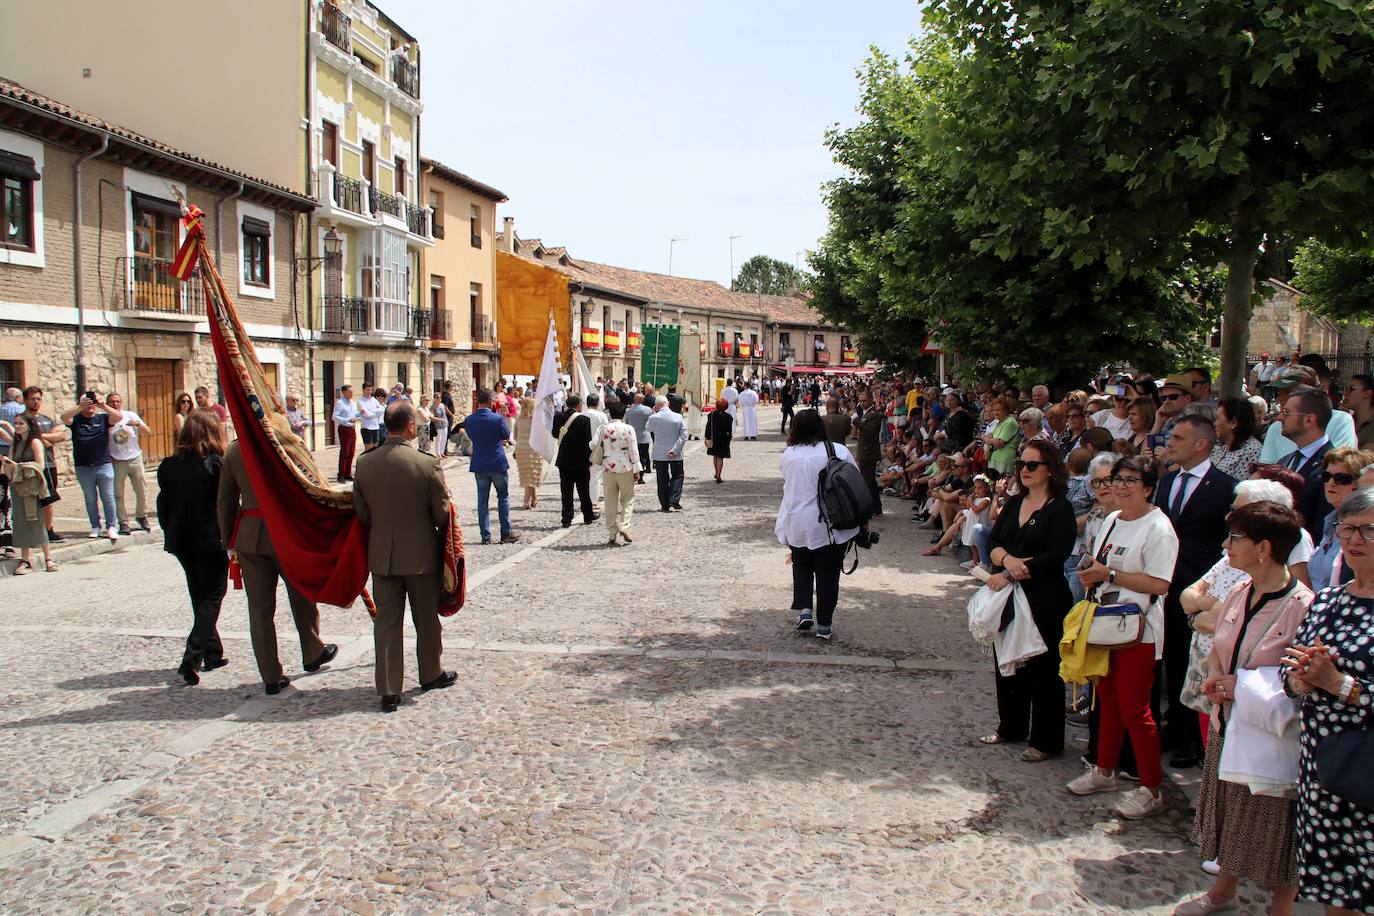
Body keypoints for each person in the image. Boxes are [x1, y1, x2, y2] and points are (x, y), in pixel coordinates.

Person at [1174, 501, 1310, 916]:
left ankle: (1279, 909)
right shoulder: (1239, 590)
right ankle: (1222, 893)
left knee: (1276, 824)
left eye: (1236, 538)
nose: (1226, 545)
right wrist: (1217, 676)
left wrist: (1243, 685)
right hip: (1228, 722)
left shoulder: (1302, 605)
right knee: (1231, 813)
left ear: (1264, 548)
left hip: (1270, 734)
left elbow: (1302, 676)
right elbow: (1217, 638)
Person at [1070, 457, 1179, 819]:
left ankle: (1151, 787)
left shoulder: (1159, 528)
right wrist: (1093, 575)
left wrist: (1110, 575)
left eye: (1131, 480)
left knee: (1136, 710)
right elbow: (1099, 566)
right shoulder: (1113, 520)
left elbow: (1160, 584)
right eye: (1117, 479)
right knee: (1108, 702)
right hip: (1105, 621)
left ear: (1148, 487)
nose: (1120, 486)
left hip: (1139, 630)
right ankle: (1104, 770)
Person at [1283, 487, 1374, 914]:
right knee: (1331, 885)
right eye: (1348, 529)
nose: (1355, 540)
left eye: (1369, 530)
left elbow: (1341, 683)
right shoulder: (1327, 601)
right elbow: (1292, 669)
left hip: (1367, 767)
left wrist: (1339, 684)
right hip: (1322, 768)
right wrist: (1301, 680)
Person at [352, 402, 456, 713]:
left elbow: (362, 512)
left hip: (383, 554)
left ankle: (388, 688)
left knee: (386, 623)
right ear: (411, 426)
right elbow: (442, 512)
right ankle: (430, 672)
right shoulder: (426, 463)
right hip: (421, 554)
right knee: (425, 619)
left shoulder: (366, 463)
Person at [217, 440, 338, 695]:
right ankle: (312, 649)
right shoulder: (282, 442)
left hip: (251, 537)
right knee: (302, 593)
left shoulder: (236, 450)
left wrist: (230, 539)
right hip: (286, 533)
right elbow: (309, 486)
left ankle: (270, 675)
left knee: (260, 610)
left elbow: (225, 500)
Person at [981, 442, 1077, 761]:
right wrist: (1006, 560)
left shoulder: (1060, 508)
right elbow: (993, 539)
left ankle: (1046, 740)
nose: (1024, 469)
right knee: (1008, 661)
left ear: (1050, 468)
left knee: (1043, 668)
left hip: (1044, 597)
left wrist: (1010, 571)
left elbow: (1055, 555)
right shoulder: (1016, 501)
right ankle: (1011, 726)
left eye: (1032, 464)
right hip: (1009, 595)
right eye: (1021, 463)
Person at [1155, 415, 1238, 768]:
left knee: (1192, 662)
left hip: (1198, 587)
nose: (1169, 443)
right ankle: (1174, 725)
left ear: (1201, 444)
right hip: (1164, 583)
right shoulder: (1167, 481)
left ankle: (1192, 737)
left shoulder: (1224, 487)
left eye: (1178, 438)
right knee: (1170, 659)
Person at [157, 408, 230, 686]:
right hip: (211, 538)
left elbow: (164, 504)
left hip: (182, 539)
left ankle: (212, 652)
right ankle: (193, 656)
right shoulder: (215, 465)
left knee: (199, 595)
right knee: (212, 595)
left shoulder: (169, 465)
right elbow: (224, 504)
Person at [776, 408, 862, 641]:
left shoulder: (789, 455)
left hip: (797, 521)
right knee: (828, 574)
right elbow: (855, 480)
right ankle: (824, 624)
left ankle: (805, 610)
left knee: (801, 566)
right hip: (829, 522)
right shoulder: (838, 451)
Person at [1307, 447, 1374, 593]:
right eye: (1326, 476)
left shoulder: (1367, 532)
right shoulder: (1329, 521)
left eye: (1342, 479)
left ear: (1360, 485)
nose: (1331, 483)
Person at [456, 389, 519, 546]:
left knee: (482, 501)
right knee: (502, 497)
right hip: (497, 462)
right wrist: (503, 417)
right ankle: (505, 533)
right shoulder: (497, 418)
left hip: (479, 463)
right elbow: (505, 435)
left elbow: (471, 436)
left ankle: (485, 535)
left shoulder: (469, 419)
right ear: (491, 402)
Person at [60, 391, 124, 541]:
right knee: (90, 498)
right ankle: (95, 526)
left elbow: (119, 417)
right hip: (83, 466)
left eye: (91, 403)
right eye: (87, 403)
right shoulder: (76, 420)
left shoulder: (103, 418)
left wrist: (103, 405)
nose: (90, 406)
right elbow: (63, 417)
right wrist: (80, 406)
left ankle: (111, 526)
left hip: (103, 464)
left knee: (108, 497)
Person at [1259, 366, 1356, 464]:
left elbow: (1340, 465)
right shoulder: (1277, 427)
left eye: (1288, 392)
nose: (1280, 398)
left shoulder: (1340, 420)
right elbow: (1264, 468)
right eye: (1278, 392)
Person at [1276, 386, 1335, 540]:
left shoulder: (1333, 468)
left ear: (1309, 419)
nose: (1279, 418)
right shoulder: (1285, 461)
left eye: (1287, 412)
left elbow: (1323, 531)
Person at [0, 414, 55, 574]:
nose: (17, 426)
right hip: (18, 488)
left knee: (36, 520)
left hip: (33, 487)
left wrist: (19, 466)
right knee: (21, 521)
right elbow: (10, 464)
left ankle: (48, 558)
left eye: (20, 423)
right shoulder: (15, 444)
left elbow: (40, 465)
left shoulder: (35, 442)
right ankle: (25, 559)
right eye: (16, 424)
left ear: (29, 425)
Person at [19, 387, 66, 542]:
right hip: (29, 466)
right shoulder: (21, 420)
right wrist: (45, 440)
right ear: (25, 400)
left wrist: (39, 436)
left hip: (49, 464)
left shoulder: (46, 419)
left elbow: (60, 437)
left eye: (38, 398)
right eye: (32, 399)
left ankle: (48, 529)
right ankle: (31, 531)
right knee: (29, 499)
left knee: (48, 498)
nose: (36, 401)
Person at [595, 399, 641, 546]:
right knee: (628, 497)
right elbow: (633, 450)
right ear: (623, 414)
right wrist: (637, 468)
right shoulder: (628, 429)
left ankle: (612, 532)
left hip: (608, 467)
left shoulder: (604, 428)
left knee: (610, 500)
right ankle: (624, 525)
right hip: (625, 467)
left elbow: (592, 444)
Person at [105, 392, 151, 535]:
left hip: (134, 458)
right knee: (118, 494)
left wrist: (137, 424)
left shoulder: (130, 415)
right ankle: (123, 522)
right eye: (112, 402)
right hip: (117, 460)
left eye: (118, 401)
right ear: (107, 404)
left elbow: (148, 432)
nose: (115, 404)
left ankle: (141, 516)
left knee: (141, 490)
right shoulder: (106, 420)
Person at [554, 394, 597, 528]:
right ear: (578, 404)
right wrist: (590, 459)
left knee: (566, 491)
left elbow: (555, 434)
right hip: (581, 459)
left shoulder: (558, 417)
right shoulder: (584, 420)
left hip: (564, 458)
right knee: (583, 490)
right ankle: (588, 515)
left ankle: (566, 518)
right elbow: (587, 441)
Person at [646, 395, 689, 512]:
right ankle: (673, 499)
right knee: (678, 475)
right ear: (668, 403)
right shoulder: (678, 417)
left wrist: (653, 413)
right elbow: (684, 435)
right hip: (675, 452)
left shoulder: (654, 417)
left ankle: (664, 504)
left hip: (660, 453)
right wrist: (676, 449)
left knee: (662, 478)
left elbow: (648, 428)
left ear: (657, 405)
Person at [1210, 397, 1264, 481]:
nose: (1214, 424)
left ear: (1233, 422)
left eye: (1217, 419)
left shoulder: (1252, 450)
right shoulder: (1219, 448)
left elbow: (1241, 488)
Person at [513, 396, 543, 509]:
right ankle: (526, 501)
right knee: (533, 475)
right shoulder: (537, 421)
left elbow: (515, 436)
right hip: (534, 450)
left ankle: (534, 498)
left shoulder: (518, 420)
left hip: (521, 449)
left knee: (527, 476)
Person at [985, 396, 1020, 476]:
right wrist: (992, 440)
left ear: (1005, 411)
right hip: (995, 459)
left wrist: (987, 439)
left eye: (998, 410)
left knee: (1001, 484)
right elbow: (991, 437)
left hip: (1004, 460)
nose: (995, 413)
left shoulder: (1010, 422)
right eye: (994, 410)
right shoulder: (999, 422)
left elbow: (999, 444)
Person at [331, 384, 358, 482]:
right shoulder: (340, 403)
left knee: (351, 452)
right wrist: (347, 420)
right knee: (345, 452)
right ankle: (341, 474)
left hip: (352, 428)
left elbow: (354, 413)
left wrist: (358, 415)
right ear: (344, 392)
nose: (352, 394)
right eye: (350, 392)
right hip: (344, 428)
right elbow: (334, 416)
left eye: (352, 392)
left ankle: (347, 473)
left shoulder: (352, 402)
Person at [625, 393, 653, 485]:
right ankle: (641, 476)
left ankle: (633, 475)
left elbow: (627, 423)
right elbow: (650, 422)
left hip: (632, 437)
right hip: (644, 436)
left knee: (633, 457)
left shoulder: (628, 411)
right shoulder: (648, 410)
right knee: (643, 457)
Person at [1341, 373, 1374, 449]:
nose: (1345, 393)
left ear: (1367, 394)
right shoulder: (1346, 421)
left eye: (1351, 389)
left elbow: (1368, 455)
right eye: (1346, 389)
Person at [705, 397, 734, 483]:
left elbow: (708, 427)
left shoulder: (711, 415)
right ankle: (718, 475)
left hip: (713, 438)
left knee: (715, 455)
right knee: (720, 457)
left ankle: (716, 472)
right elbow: (729, 430)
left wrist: (707, 437)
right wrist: (729, 439)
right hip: (723, 439)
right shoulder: (728, 417)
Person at [357, 384, 384, 453]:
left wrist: (370, 410)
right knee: (368, 449)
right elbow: (366, 414)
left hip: (375, 427)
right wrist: (376, 413)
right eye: (368, 390)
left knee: (376, 449)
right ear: (363, 390)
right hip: (366, 428)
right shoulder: (360, 401)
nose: (369, 392)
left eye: (371, 390)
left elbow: (382, 409)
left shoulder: (373, 399)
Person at [430, 392, 450, 459]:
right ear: (434, 398)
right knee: (439, 439)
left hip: (445, 424)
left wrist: (451, 416)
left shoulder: (442, 405)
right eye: (437, 397)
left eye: (440, 397)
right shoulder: (432, 407)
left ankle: (442, 452)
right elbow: (432, 417)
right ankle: (438, 454)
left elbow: (446, 411)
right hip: (438, 425)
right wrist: (440, 420)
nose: (439, 399)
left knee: (444, 438)